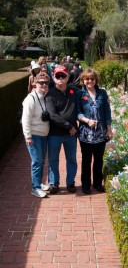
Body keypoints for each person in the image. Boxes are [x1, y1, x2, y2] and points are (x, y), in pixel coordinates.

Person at [76, 68, 113, 195]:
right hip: (85, 133)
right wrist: (87, 120)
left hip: (101, 133)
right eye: (87, 79)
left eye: (92, 78)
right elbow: (77, 113)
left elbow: (107, 111)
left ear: (96, 80)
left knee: (98, 159)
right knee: (86, 160)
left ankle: (97, 183)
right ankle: (86, 185)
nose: (89, 81)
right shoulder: (80, 95)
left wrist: (109, 129)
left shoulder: (102, 93)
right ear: (83, 80)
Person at [45, 65, 78, 194]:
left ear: (67, 77)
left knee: (71, 159)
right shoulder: (50, 94)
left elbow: (88, 94)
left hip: (71, 135)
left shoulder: (74, 91)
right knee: (53, 159)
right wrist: (69, 126)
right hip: (55, 133)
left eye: (62, 76)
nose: (60, 78)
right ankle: (54, 183)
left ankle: (70, 182)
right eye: (57, 76)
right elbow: (52, 115)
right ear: (54, 77)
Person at [22, 72, 50, 198]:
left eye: (46, 83)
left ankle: (38, 183)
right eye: (41, 83)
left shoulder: (44, 97)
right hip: (34, 135)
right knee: (37, 161)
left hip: (44, 134)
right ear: (35, 83)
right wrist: (28, 136)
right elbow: (25, 120)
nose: (44, 85)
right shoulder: (31, 99)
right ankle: (35, 187)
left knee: (41, 160)